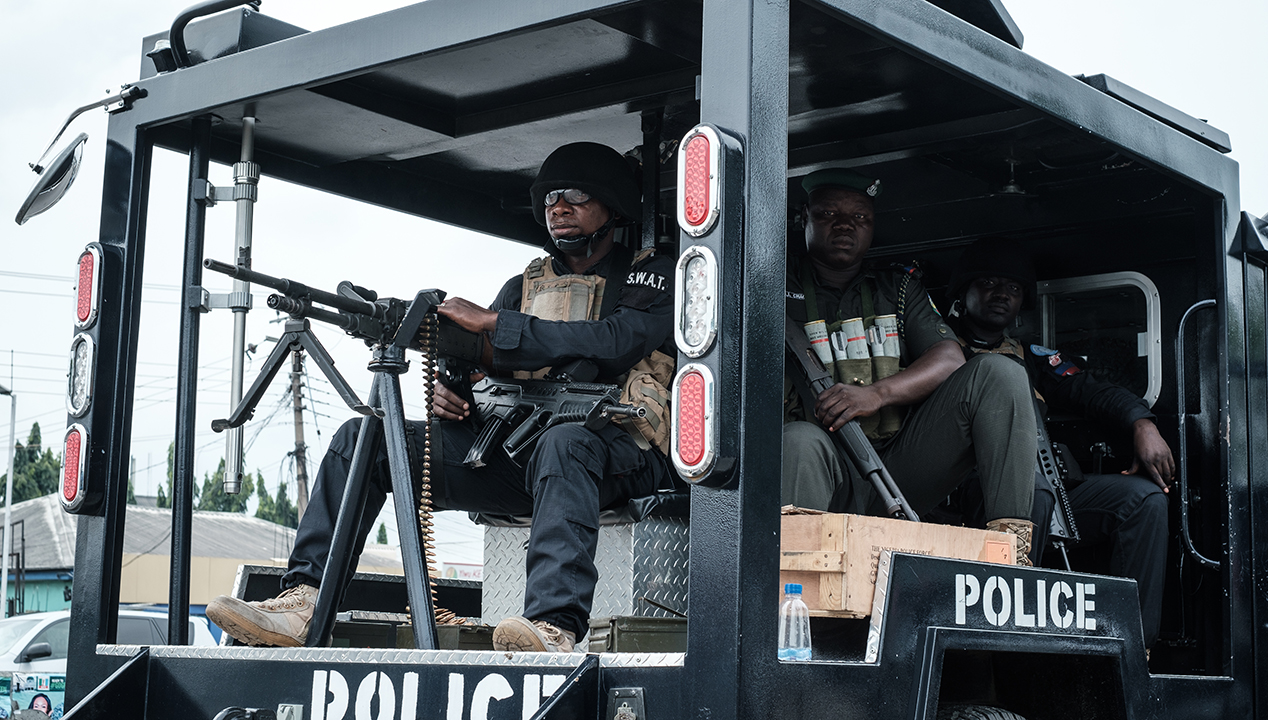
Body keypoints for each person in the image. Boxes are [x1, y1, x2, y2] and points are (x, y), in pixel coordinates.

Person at [207, 142, 676, 652]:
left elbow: (614, 343)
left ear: (612, 205)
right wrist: (454, 387)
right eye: (549, 199)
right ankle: (306, 600)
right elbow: (482, 361)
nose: (558, 208)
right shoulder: (523, 286)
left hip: (619, 455)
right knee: (364, 441)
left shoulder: (648, 274)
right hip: (522, 452)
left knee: (564, 444)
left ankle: (551, 626)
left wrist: (496, 324)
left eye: (576, 195)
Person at [781, 169, 1038, 564]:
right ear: (805, 218)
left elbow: (950, 358)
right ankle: (798, 582)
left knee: (1001, 373)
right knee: (799, 439)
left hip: (898, 467)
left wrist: (875, 394)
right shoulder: (770, 283)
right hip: (817, 467)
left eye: (861, 217)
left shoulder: (897, 288)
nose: (847, 225)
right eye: (830, 214)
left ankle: (1011, 553)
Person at [942, 236, 1171, 647]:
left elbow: (1092, 390)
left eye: (1013, 288)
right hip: (966, 490)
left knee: (1142, 500)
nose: (1002, 295)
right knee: (1035, 496)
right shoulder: (938, 351)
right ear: (964, 290)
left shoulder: (1030, 356)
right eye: (990, 283)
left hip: (1044, 485)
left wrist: (1142, 422)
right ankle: (1013, 642)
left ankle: (1133, 644)